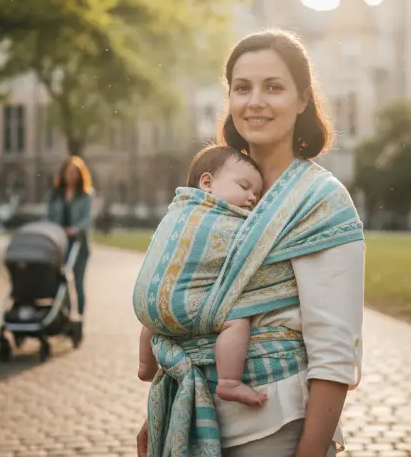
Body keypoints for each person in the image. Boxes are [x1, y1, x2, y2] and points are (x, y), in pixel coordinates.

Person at [134, 28, 365, 457]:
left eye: (273, 87)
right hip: (190, 417)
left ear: (301, 100)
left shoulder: (320, 202)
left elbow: (333, 355)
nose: (255, 101)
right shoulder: (213, 197)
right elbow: (190, 314)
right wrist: (161, 414)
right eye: (242, 88)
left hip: (274, 430)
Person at [137, 145, 266, 406]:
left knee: (154, 317)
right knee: (236, 321)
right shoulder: (228, 221)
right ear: (207, 182)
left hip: (145, 305)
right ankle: (230, 382)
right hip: (183, 307)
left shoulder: (177, 211)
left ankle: (144, 366)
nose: (252, 197)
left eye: (257, 193)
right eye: (244, 186)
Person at [46, 155, 93, 322]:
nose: (71, 176)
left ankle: (79, 317)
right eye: (68, 172)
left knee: (78, 282)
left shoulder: (85, 196)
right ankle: (63, 315)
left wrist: (75, 229)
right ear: (63, 174)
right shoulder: (55, 195)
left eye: (74, 173)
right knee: (61, 282)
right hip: (59, 243)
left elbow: (87, 219)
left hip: (79, 243)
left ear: (80, 175)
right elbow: (49, 216)